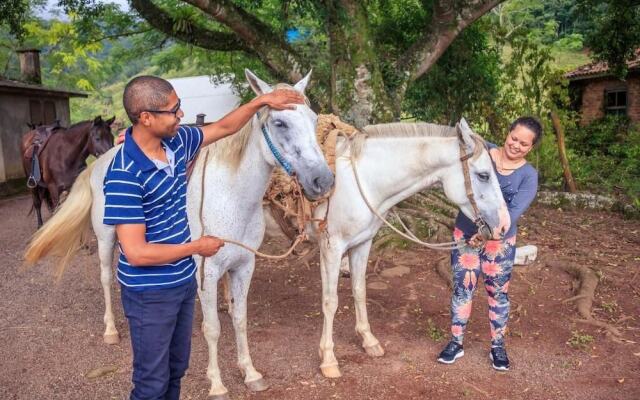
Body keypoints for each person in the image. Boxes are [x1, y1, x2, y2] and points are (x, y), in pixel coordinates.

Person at [103, 75, 304, 400]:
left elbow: (224, 128)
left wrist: (260, 102)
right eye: (174, 110)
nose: (181, 115)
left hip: (183, 283)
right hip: (149, 294)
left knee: (177, 369)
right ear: (146, 118)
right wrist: (197, 247)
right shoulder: (124, 174)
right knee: (151, 381)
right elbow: (137, 253)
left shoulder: (176, 142)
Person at [436, 117, 542, 371]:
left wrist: (486, 235)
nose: (516, 145)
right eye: (514, 138)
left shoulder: (528, 176)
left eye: (524, 144)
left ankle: (497, 347)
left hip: (500, 244)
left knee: (497, 294)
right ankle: (456, 342)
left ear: (531, 147)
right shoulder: (482, 153)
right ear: (507, 133)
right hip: (465, 235)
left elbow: (513, 213)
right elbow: (460, 140)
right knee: (463, 290)